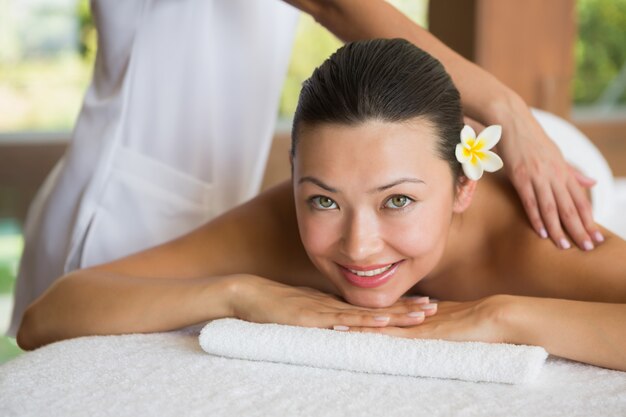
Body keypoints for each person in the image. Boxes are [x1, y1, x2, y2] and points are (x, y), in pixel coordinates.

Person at [17, 39, 626, 372]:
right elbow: (47, 317)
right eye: (325, 201)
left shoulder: (534, 244)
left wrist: (502, 317)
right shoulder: (284, 220)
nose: (359, 246)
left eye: (398, 202)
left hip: (553, 165)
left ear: (463, 188)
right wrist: (238, 294)